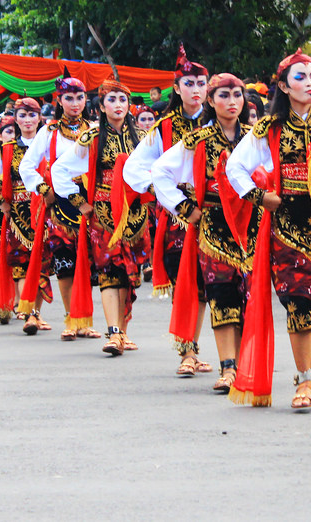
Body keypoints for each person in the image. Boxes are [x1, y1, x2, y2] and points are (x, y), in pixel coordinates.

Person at [224, 48, 311, 408]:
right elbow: (234, 168)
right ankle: (303, 382)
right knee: (299, 302)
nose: (310, 83)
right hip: (287, 226)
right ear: (283, 87)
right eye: (300, 77)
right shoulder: (267, 128)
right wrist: (258, 196)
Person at [146, 73, 255, 390]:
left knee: (245, 295)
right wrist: (184, 208)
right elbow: (160, 172)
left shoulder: (254, 137)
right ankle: (228, 367)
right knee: (221, 295)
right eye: (224, 95)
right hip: (214, 227)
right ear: (210, 100)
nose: (232, 102)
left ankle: (243, 363)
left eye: (237, 94)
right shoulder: (198, 140)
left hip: (250, 227)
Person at [124, 45, 212, 373]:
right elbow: (133, 169)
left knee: (207, 284)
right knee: (184, 282)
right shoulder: (161, 128)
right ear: (176, 89)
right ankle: (187, 351)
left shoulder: (220, 122)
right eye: (189, 84)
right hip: (178, 216)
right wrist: (163, 190)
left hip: (215, 214)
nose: (196, 90)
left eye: (201, 83)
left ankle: (208, 352)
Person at [51, 79, 145, 356]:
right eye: (112, 100)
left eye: (123, 100)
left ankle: (124, 331)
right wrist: (79, 202)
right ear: (102, 106)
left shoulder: (143, 136)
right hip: (103, 213)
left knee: (130, 274)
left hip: (136, 213)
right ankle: (113, 332)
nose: (118, 105)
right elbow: (60, 170)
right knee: (109, 272)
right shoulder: (91, 137)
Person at [19, 77, 99, 341]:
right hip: (60, 203)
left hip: (93, 202)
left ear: (86, 100)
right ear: (59, 101)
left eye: (80, 97)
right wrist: (44, 190)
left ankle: (86, 319)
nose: (75, 103)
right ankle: (72, 319)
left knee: (88, 262)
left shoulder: (97, 129)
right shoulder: (49, 131)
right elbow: (26, 166)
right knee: (65, 261)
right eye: (69, 98)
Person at [0, 98, 50, 335]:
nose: (27, 121)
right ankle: (27, 312)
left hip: (45, 212)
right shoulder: (7, 150)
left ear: (40, 119)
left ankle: (34, 313)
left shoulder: (51, 145)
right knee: (20, 264)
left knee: (42, 263)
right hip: (18, 213)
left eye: (32, 115)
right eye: (22, 116)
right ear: (15, 119)